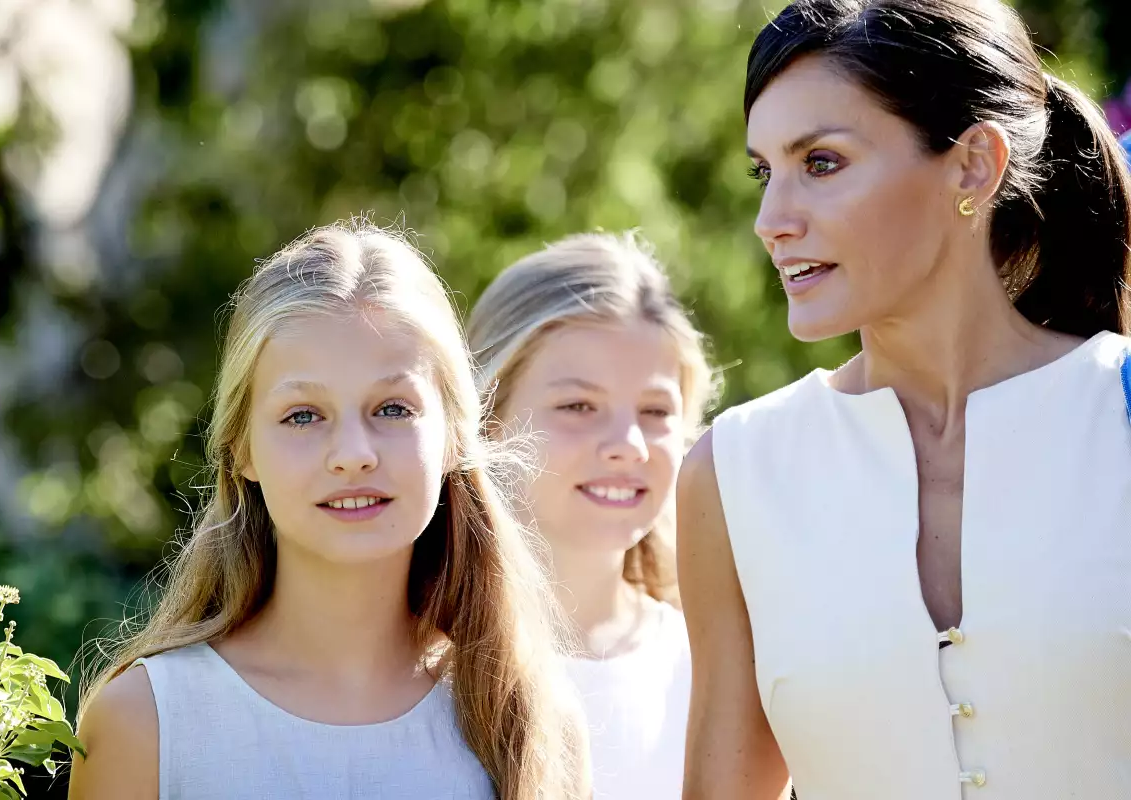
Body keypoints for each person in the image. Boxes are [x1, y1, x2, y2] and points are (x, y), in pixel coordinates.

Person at [678, 1, 1131, 798]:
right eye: (764, 172)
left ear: (973, 166)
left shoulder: (1117, 415)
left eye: (820, 163)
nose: (770, 220)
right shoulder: (735, 474)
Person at [70, 222, 590, 800]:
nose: (352, 456)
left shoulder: (530, 720)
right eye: (302, 415)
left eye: (393, 409)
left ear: (452, 436)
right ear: (243, 448)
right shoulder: (147, 723)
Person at [467, 232, 715, 799]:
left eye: (655, 410)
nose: (628, 443)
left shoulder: (710, 670)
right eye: (578, 406)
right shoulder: (407, 668)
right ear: (487, 422)